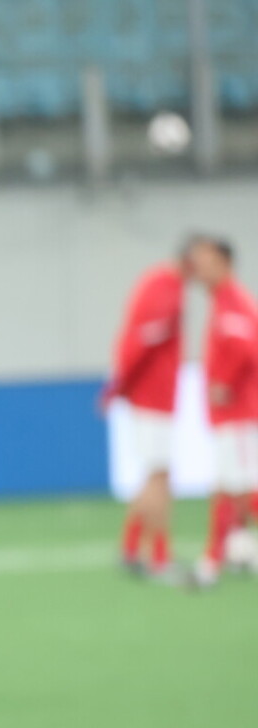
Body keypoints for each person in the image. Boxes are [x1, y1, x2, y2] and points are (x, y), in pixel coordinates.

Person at [100, 247, 192, 579]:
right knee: (158, 476)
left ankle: (132, 547)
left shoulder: (163, 285)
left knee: (158, 474)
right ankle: (158, 554)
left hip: (157, 396)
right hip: (152, 396)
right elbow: (140, 340)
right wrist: (119, 385)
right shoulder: (164, 289)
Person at [187, 235, 258, 587]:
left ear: (225, 263)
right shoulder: (223, 300)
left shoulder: (231, 300)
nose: (200, 269)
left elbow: (246, 347)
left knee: (244, 490)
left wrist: (224, 382)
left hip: (240, 412)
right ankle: (225, 556)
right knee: (230, 488)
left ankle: (213, 561)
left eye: (208, 262)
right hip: (232, 415)